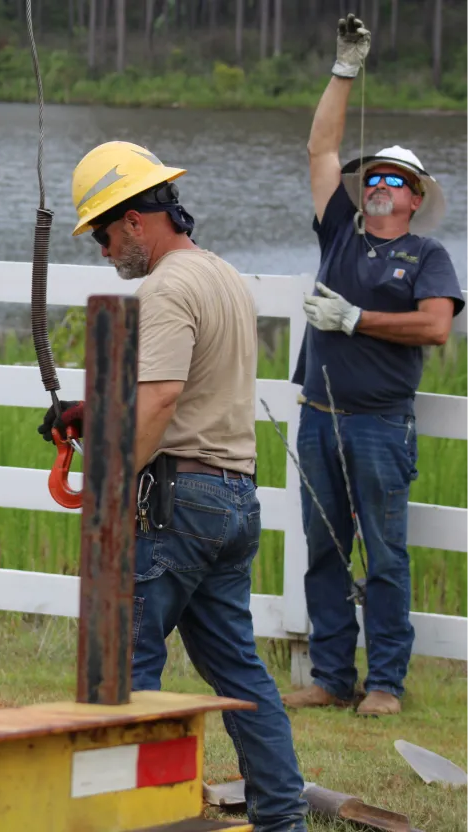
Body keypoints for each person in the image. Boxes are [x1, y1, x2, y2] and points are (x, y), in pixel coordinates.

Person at [40, 141, 309, 832]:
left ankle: (131, 818)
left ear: (134, 220)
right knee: (239, 672)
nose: (102, 250)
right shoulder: (219, 275)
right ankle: (283, 819)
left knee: (125, 669)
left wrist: (106, 486)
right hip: (229, 498)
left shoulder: (163, 289)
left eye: (101, 232)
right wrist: (93, 412)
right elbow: (186, 393)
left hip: (178, 503)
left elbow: (160, 401)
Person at [282, 15, 463, 717]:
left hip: (380, 427)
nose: (381, 183)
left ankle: (384, 682)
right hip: (318, 419)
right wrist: (343, 69)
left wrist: (357, 319)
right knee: (324, 549)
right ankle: (330, 676)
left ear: (415, 197)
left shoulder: (427, 257)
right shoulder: (337, 232)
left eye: (397, 179)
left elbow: (436, 326)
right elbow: (318, 147)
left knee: (384, 556)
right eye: (375, 175)